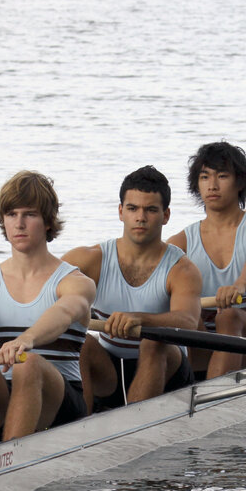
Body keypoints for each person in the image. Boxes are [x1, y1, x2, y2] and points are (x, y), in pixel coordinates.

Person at [0, 171, 96, 442]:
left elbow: (63, 313)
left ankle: (7, 458)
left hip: (60, 401)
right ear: (3, 221)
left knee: (28, 363)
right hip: (4, 393)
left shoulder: (74, 282)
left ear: (48, 221)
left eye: (30, 214)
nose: (19, 224)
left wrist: (26, 339)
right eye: (11, 214)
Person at [63, 165, 202, 410]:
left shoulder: (182, 269)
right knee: (80, 342)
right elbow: (40, 286)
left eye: (150, 210)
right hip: (110, 370)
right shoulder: (90, 259)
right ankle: (77, 428)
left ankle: (135, 423)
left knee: (153, 341)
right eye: (132, 208)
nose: (140, 217)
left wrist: (140, 319)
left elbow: (189, 321)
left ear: (166, 215)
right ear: (120, 212)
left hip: (168, 370)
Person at [167, 142, 246, 378]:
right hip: (202, 344)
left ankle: (209, 397)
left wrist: (239, 286)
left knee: (228, 316)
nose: (213, 185)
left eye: (222, 176)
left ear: (239, 182)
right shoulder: (180, 242)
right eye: (205, 177)